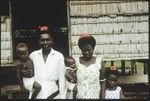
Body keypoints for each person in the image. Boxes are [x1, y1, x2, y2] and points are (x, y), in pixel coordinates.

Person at [29, 26, 66, 99]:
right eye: (42, 40)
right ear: (38, 41)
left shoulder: (59, 56)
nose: (45, 42)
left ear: (52, 40)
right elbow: (28, 76)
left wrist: (63, 96)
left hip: (53, 93)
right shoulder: (33, 55)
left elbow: (62, 79)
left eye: (48, 40)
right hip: (36, 93)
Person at [74, 33, 106, 99]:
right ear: (80, 49)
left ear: (93, 48)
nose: (86, 52)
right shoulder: (76, 62)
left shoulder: (99, 62)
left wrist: (102, 96)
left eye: (89, 50)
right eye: (84, 50)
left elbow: (103, 81)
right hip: (80, 97)